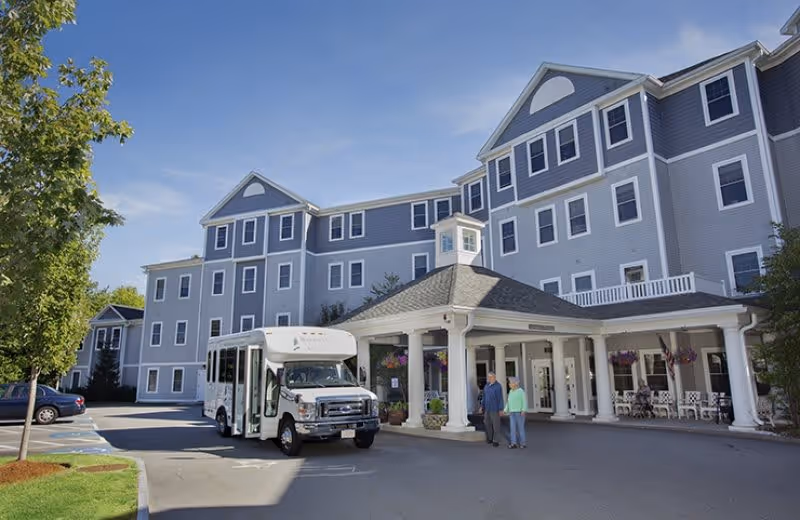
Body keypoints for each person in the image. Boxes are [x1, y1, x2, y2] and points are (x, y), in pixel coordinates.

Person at [480, 372, 503, 447]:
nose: (489, 378)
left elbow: (500, 398)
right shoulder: (486, 386)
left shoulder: (498, 386)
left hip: (495, 409)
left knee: (496, 425)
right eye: (488, 377)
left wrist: (500, 409)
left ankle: (496, 440)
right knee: (487, 423)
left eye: (491, 377)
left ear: (494, 377)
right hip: (487, 408)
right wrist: (481, 406)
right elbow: (484, 397)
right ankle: (490, 438)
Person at [503, 376, 527, 449]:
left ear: (515, 383)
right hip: (512, 413)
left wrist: (523, 410)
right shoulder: (510, 392)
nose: (509, 384)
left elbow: (524, 401)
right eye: (509, 383)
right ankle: (513, 443)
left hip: (519, 412)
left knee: (520, 429)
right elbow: (508, 402)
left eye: (510, 383)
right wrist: (505, 410)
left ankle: (523, 443)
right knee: (512, 429)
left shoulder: (521, 391)